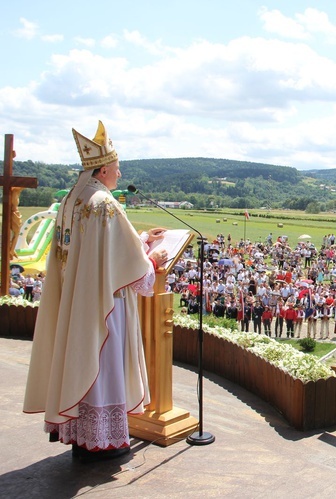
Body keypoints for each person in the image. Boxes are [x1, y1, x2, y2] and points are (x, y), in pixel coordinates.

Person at [23, 121, 169, 462]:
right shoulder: (103, 202)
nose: (119, 175)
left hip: (77, 299)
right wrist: (153, 257)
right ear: (103, 170)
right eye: (116, 170)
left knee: (81, 359)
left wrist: (142, 239)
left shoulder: (74, 198)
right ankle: (102, 441)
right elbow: (124, 266)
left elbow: (98, 250)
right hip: (105, 304)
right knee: (103, 363)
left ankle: (82, 435)